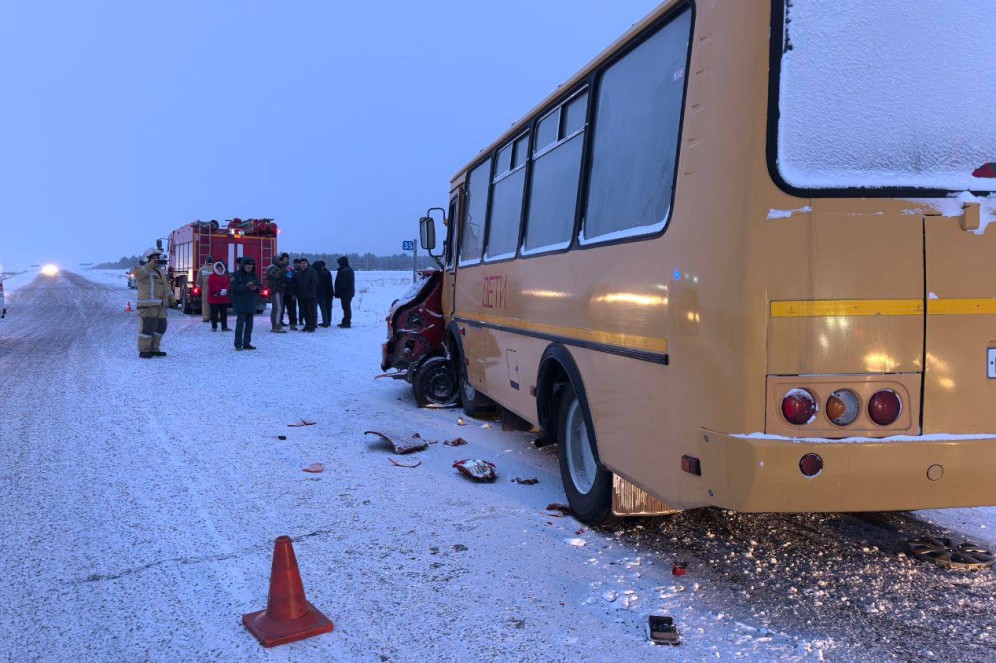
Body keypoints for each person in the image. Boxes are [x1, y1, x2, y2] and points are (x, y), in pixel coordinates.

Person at [134, 246, 176, 358]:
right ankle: (144, 350)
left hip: (161, 305)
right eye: (154, 257)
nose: (156, 259)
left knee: (161, 326)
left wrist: (171, 297)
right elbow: (138, 275)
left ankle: (154, 348)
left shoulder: (160, 271)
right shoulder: (141, 269)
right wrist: (150, 264)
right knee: (148, 327)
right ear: (148, 258)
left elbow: (166, 286)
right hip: (148, 305)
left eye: (158, 257)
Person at [230, 257, 261, 351]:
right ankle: (238, 344)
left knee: (249, 325)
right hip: (240, 304)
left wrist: (255, 288)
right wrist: (246, 286)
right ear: (243, 266)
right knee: (240, 325)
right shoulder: (235, 275)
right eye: (247, 267)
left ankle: (247, 343)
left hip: (251, 303)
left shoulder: (254, 275)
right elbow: (234, 288)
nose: (249, 269)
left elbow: (260, 286)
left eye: (250, 267)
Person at [266, 253, 289, 333]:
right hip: (276, 290)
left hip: (278, 290)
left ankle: (275, 325)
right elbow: (276, 275)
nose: (281, 262)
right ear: (276, 261)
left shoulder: (277, 267)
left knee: (276, 308)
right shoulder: (272, 267)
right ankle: (277, 326)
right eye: (280, 261)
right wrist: (285, 270)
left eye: (282, 261)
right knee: (278, 308)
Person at [206, 260, 231, 332]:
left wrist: (226, 289)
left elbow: (228, 284)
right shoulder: (211, 276)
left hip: (223, 299)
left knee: (224, 314)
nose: (219, 269)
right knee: (214, 314)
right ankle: (214, 327)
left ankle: (224, 327)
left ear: (223, 268)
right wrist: (220, 290)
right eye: (218, 268)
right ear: (215, 268)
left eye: (221, 268)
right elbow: (211, 285)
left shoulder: (225, 276)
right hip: (214, 299)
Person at [296, 257, 319, 332]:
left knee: (310, 311)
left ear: (307, 264)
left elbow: (315, 282)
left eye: (304, 263)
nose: (303, 265)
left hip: (310, 295)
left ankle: (311, 326)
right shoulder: (299, 272)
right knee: (305, 311)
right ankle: (307, 325)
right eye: (301, 263)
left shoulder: (312, 271)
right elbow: (297, 284)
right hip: (302, 296)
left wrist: (311, 290)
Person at [334, 255, 355, 328]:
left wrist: (339, 291)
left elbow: (343, 283)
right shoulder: (348, 269)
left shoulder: (345, 271)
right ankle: (345, 321)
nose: (339, 264)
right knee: (346, 308)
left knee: (346, 308)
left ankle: (347, 322)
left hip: (345, 293)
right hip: (348, 293)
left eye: (340, 263)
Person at [315, 260, 335, 327]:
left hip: (321, 293)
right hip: (324, 293)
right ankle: (326, 322)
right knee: (325, 309)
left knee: (317, 309)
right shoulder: (326, 272)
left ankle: (316, 322)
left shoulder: (317, 272)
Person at [198, 255, 215, 322]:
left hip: (205, 289)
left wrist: (198, 286)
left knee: (205, 303)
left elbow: (199, 281)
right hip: (215, 289)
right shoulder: (215, 268)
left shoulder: (201, 269)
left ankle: (206, 317)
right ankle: (217, 317)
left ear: (206, 262)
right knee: (216, 303)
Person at [283, 258, 299, 330]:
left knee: (292, 310)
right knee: (280, 310)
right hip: (282, 293)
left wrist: (294, 293)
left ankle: (293, 324)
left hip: (290, 293)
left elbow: (295, 283)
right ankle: (279, 323)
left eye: (286, 260)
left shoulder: (291, 270)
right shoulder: (279, 269)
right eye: (283, 260)